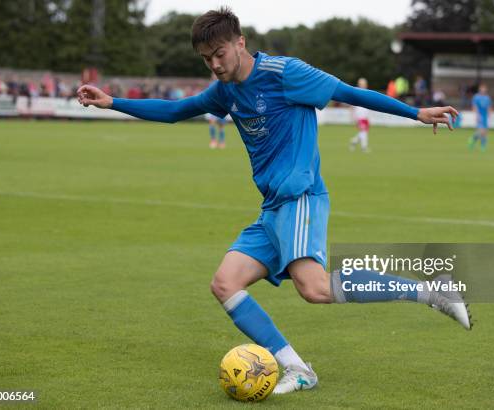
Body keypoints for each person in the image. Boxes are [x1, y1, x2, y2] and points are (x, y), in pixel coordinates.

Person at [77, 7, 470, 395]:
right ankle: (299, 370)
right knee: (225, 283)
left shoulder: (285, 73)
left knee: (313, 288)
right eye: (206, 58)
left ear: (240, 43)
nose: (214, 64)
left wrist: (416, 112)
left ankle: (433, 292)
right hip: (272, 209)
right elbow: (176, 110)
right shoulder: (224, 91)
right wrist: (112, 102)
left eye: (220, 54)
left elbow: (346, 92)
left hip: (300, 196)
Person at [349, 77, 370, 153]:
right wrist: (352, 116)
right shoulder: (356, 92)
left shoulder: (367, 92)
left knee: (364, 132)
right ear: (359, 84)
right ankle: (364, 147)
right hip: (359, 116)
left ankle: (353, 141)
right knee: (363, 132)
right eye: (362, 83)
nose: (364, 85)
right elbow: (351, 105)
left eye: (365, 83)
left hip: (365, 116)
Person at [206, 73, 227, 148]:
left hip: (222, 108)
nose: (214, 76)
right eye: (213, 75)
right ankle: (213, 140)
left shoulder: (224, 83)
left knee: (221, 126)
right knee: (212, 123)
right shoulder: (211, 84)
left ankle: (222, 141)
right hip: (213, 108)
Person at [468, 84, 492, 152]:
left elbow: (489, 106)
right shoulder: (476, 97)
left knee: (485, 132)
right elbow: (474, 106)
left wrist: (489, 113)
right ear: (480, 89)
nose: (483, 90)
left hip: (485, 116)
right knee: (482, 131)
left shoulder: (487, 98)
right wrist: (477, 115)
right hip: (480, 115)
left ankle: (475, 141)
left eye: (484, 89)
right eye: (482, 89)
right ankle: (478, 143)